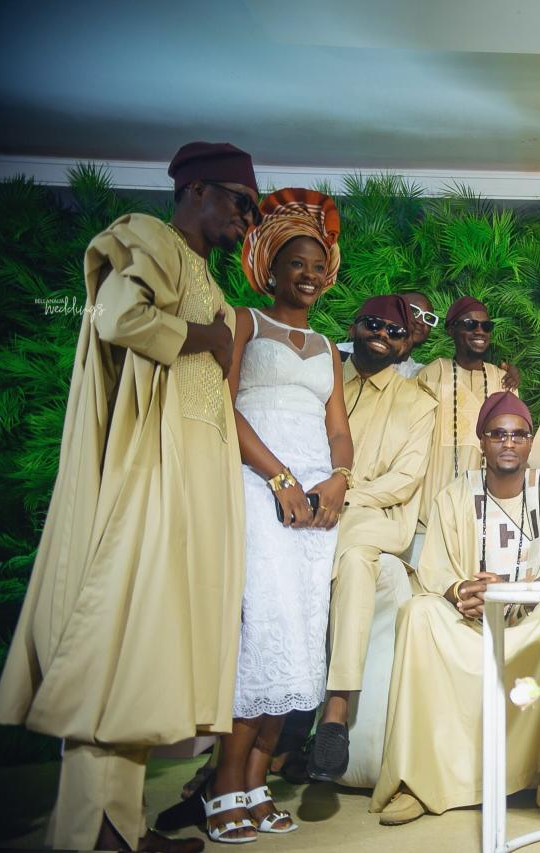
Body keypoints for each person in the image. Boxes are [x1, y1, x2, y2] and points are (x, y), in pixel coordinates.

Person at [0, 141, 258, 853]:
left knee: (146, 649)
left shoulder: (204, 274)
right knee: (114, 644)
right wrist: (207, 336)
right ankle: (93, 833)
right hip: (151, 476)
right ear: (197, 190)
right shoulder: (149, 235)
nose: (246, 219)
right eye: (241, 202)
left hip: (190, 484)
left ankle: (120, 826)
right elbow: (119, 317)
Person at [199, 188, 352, 843]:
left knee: (298, 634)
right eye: (297, 263)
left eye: (318, 265)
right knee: (261, 630)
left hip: (317, 506)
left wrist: (338, 480)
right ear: (271, 267)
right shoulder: (245, 323)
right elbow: (222, 406)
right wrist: (279, 478)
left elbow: (338, 429)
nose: (309, 275)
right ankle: (222, 784)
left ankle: (257, 782)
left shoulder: (327, 347)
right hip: (260, 488)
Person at [371, 393, 540, 826]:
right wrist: (462, 590)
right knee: (418, 615)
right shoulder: (454, 495)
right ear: (482, 442)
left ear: (530, 442)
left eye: (519, 435)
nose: (509, 443)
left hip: (529, 624)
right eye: (498, 434)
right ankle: (417, 781)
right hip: (469, 626)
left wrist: (517, 591)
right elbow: (435, 570)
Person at [312, 294, 438, 780]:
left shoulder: (418, 403)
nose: (383, 335)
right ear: (354, 327)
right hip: (307, 504)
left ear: (407, 344)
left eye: (395, 331)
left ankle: (337, 708)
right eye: (373, 324)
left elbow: (405, 479)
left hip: (374, 514)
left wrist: (344, 496)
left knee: (357, 556)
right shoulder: (323, 382)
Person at [414, 296, 520, 526]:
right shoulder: (432, 375)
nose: (479, 331)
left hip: (487, 515)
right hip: (432, 512)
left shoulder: (503, 382)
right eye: (470, 324)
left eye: (486, 326)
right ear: (451, 330)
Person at [337, 291, 439, 379]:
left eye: (429, 318)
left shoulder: (419, 375)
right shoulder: (336, 354)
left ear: (404, 346)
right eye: (413, 311)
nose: (420, 321)